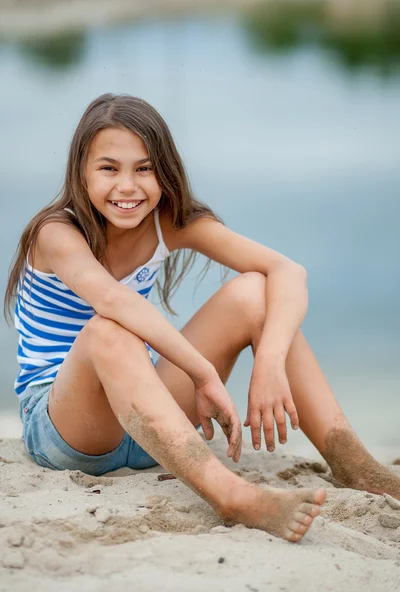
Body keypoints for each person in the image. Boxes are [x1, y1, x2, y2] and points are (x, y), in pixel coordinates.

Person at [4, 94, 399, 543]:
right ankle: (231, 496)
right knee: (107, 333)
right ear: (81, 172)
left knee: (253, 293)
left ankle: (355, 464)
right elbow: (115, 302)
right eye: (109, 168)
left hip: (147, 425)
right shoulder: (56, 232)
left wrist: (269, 360)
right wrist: (203, 372)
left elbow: (288, 271)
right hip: (69, 429)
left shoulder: (169, 223)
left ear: (165, 171)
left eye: (145, 168)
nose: (128, 187)